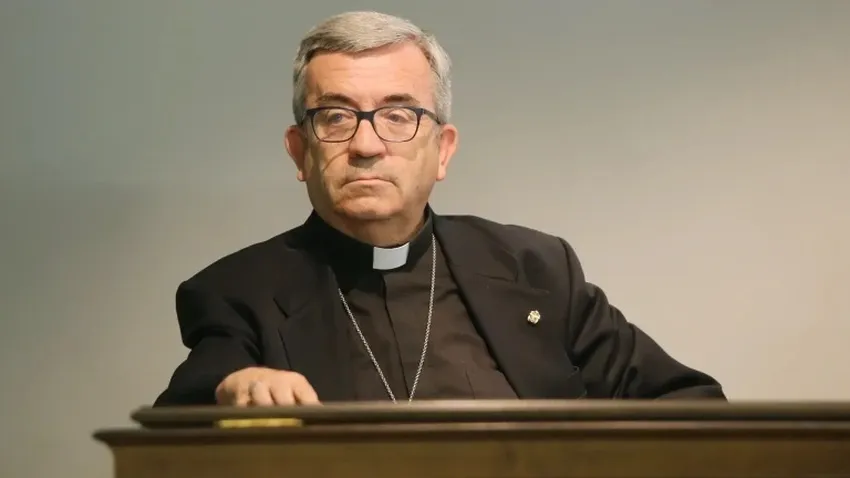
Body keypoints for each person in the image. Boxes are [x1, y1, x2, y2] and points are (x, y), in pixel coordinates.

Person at [153, 11, 725, 407]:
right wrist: (233, 390)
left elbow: (687, 403)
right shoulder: (238, 291)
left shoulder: (535, 268)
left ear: (443, 150)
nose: (367, 144)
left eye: (398, 116)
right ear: (300, 151)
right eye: (336, 116)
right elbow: (189, 413)